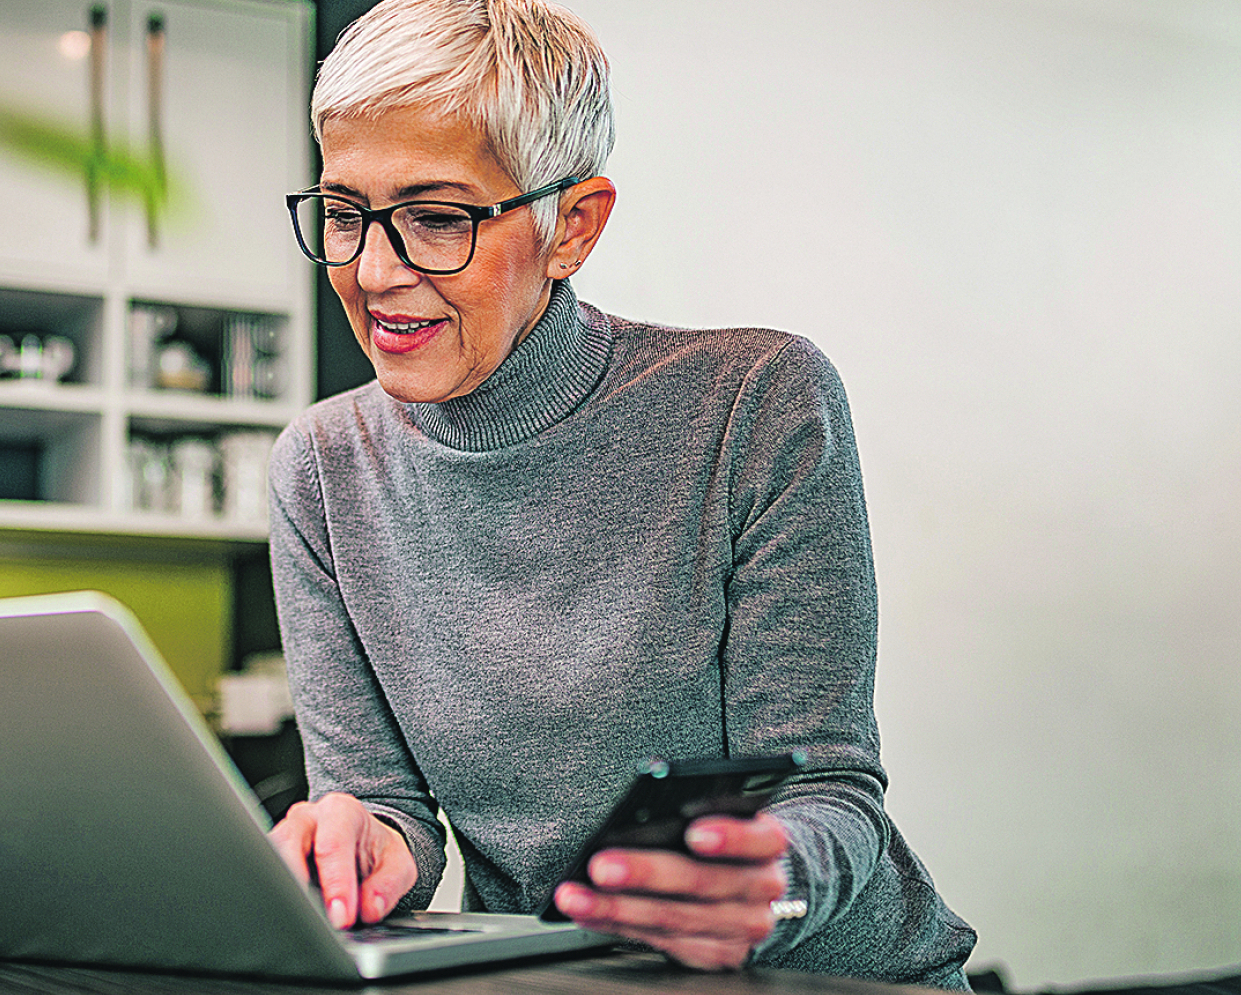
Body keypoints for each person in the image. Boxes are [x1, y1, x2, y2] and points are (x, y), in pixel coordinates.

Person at [263, 0, 977, 988]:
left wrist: (765, 883)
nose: (373, 271)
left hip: (830, 978)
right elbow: (385, 809)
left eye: (437, 218)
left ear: (572, 228)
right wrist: (364, 842)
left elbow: (829, 794)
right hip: (555, 976)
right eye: (344, 214)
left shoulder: (755, 403)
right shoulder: (319, 467)